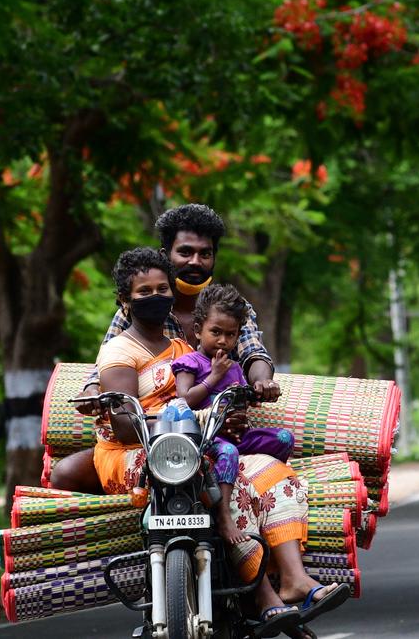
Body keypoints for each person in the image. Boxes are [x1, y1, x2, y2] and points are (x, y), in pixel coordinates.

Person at [92, 248, 347, 634]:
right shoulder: (118, 350)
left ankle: (294, 580)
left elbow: (224, 383)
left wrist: (225, 417)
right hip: (145, 454)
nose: (157, 297)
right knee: (229, 483)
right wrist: (202, 418)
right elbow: (126, 425)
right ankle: (262, 596)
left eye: (163, 288)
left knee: (273, 471)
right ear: (125, 301)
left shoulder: (182, 349)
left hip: (195, 446)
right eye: (144, 292)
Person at [51, 204, 282, 493]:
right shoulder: (140, 309)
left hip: (219, 427)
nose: (195, 262)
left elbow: (253, 353)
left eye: (205, 254)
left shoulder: (232, 309)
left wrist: (262, 381)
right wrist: (92, 391)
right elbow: (108, 363)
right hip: (151, 430)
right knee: (64, 475)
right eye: (185, 252)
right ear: (166, 256)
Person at [164, 283, 295, 545]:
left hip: (238, 435)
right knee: (228, 453)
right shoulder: (190, 362)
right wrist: (214, 377)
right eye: (216, 332)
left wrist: (257, 392)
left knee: (283, 438)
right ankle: (224, 516)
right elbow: (184, 400)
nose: (223, 340)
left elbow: (240, 398)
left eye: (231, 334)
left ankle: (264, 479)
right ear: (198, 330)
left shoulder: (235, 367)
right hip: (207, 438)